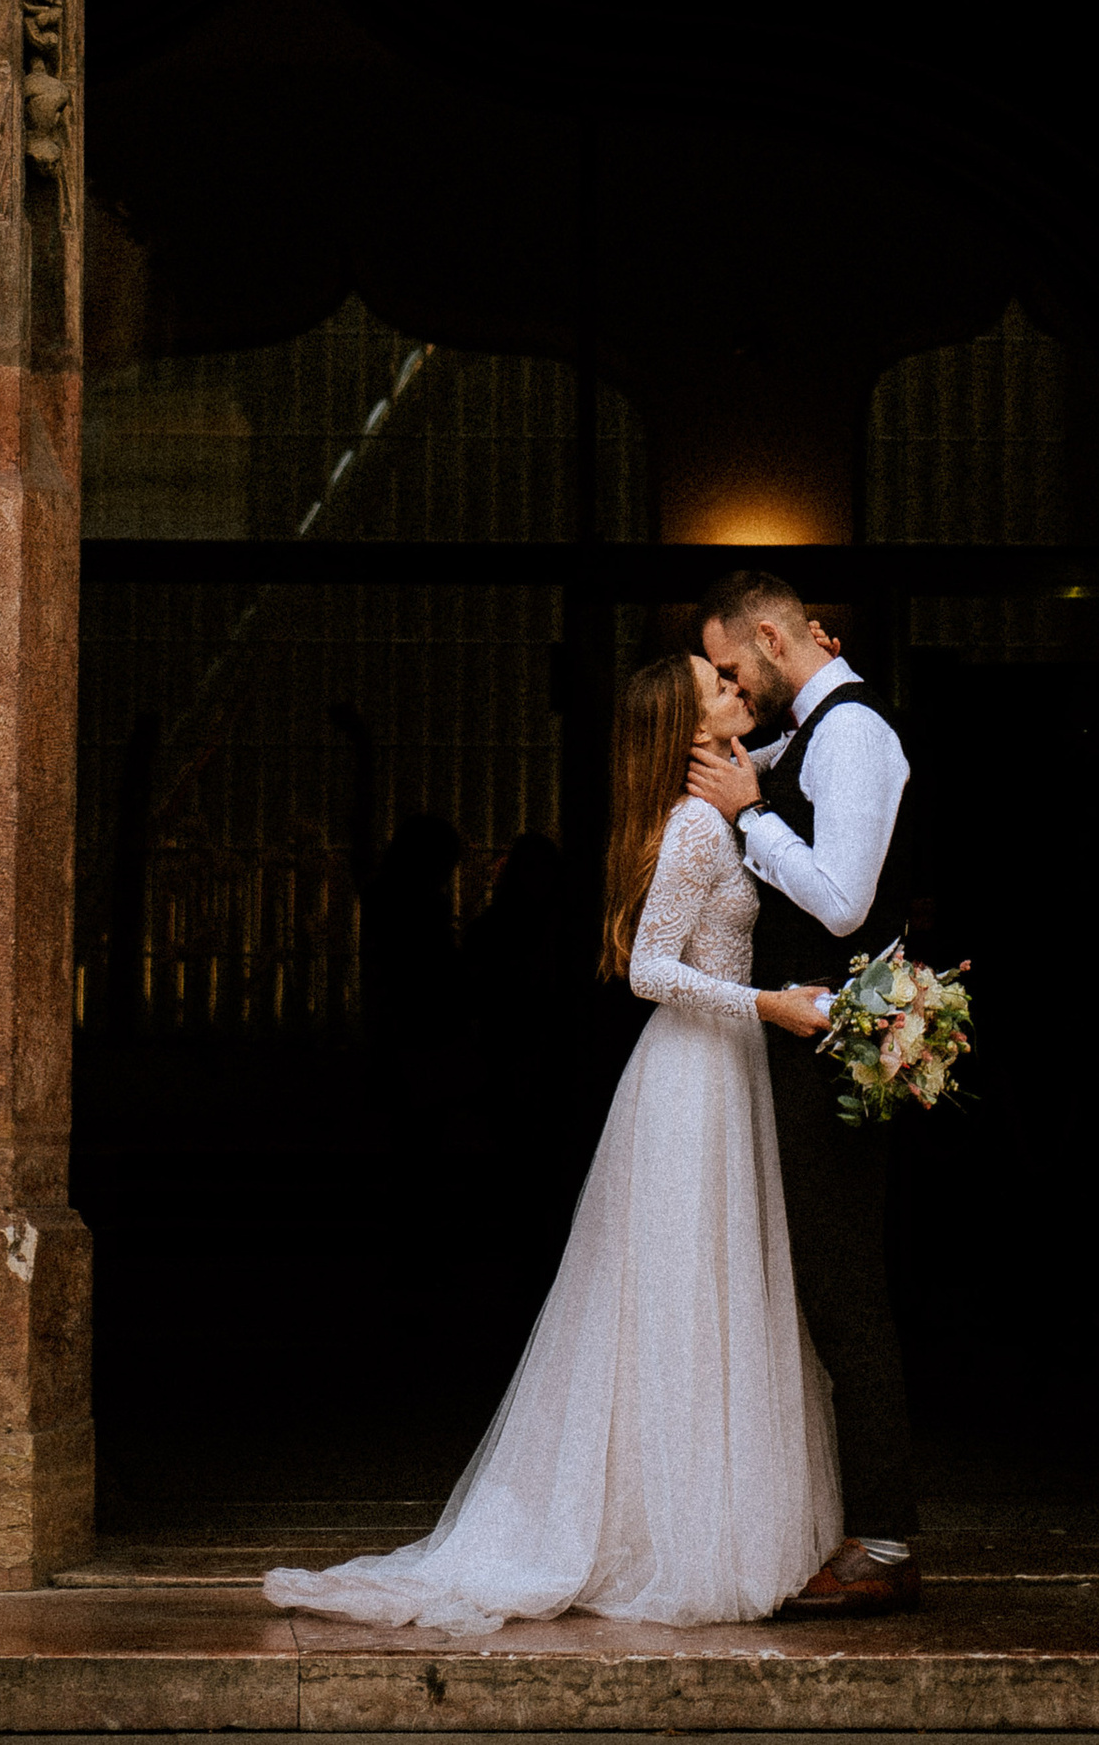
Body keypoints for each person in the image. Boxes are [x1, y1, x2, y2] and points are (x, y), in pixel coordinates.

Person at [259, 654, 841, 1634]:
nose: (740, 689)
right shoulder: (696, 827)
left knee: (720, 1286)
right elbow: (650, 970)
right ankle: (669, 1530)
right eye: (719, 687)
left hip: (727, 1065)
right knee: (684, 1289)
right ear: (687, 727)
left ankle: (708, 1515)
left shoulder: (727, 806)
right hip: (696, 1072)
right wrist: (767, 1005)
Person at [691, 564, 921, 1616]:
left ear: (775, 643)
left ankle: (885, 1542)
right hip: (797, 1047)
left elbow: (840, 903)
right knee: (816, 1286)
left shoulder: (855, 734)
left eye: (732, 667)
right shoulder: (806, 736)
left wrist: (749, 816)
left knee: (844, 1289)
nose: (733, 686)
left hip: (835, 1052)